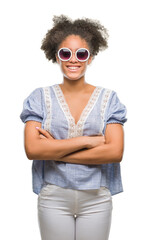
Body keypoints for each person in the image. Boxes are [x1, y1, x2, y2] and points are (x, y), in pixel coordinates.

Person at [20, 15, 127, 240]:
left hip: (97, 197)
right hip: (53, 196)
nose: (73, 60)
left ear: (90, 57)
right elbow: (33, 149)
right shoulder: (39, 98)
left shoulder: (109, 99)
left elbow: (114, 152)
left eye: (81, 53)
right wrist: (88, 141)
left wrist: (54, 150)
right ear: (56, 56)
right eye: (65, 53)